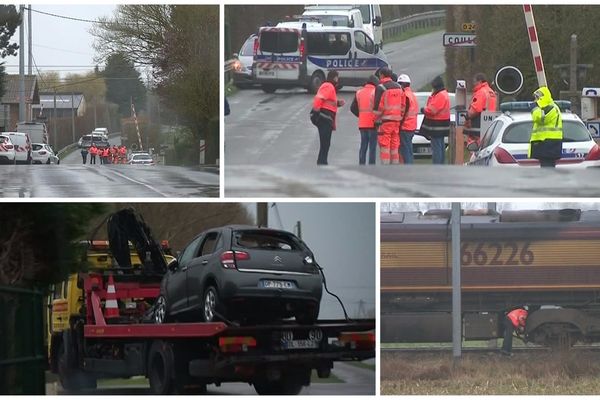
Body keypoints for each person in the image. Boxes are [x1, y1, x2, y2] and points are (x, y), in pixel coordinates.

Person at [311, 70, 345, 165]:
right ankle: (322, 162)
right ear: (334, 77)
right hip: (324, 118)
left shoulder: (330, 87)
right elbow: (319, 98)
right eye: (337, 77)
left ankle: (322, 161)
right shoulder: (328, 86)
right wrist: (316, 112)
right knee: (325, 143)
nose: (338, 79)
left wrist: (338, 103)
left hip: (326, 118)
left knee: (325, 143)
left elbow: (328, 102)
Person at [373, 67, 405, 164]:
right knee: (394, 145)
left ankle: (386, 167)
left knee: (385, 146)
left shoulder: (381, 88)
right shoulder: (399, 88)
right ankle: (395, 167)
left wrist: (375, 120)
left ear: (381, 75)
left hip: (385, 122)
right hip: (397, 121)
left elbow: (379, 107)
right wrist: (400, 116)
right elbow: (403, 105)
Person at [530, 86, 563, 168]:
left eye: (537, 98)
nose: (535, 101)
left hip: (549, 144)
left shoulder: (551, 108)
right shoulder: (546, 108)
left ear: (542, 98)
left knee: (548, 169)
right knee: (546, 168)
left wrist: (535, 108)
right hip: (546, 143)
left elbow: (539, 118)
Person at [420, 76, 451, 165]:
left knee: (436, 147)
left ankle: (437, 166)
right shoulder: (444, 94)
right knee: (440, 146)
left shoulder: (440, 95)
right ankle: (441, 164)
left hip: (437, 126)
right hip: (442, 124)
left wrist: (424, 110)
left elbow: (432, 110)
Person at [350, 75, 379, 165]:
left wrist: (361, 115)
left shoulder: (359, 92)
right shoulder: (376, 92)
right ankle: (371, 166)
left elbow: (352, 108)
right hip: (372, 124)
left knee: (363, 145)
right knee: (372, 147)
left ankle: (361, 164)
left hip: (362, 124)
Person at [465, 73, 497, 150]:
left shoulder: (480, 92)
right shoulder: (491, 92)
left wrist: (467, 115)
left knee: (477, 148)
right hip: (490, 123)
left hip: (479, 124)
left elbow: (476, 109)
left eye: (474, 82)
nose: (473, 84)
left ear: (479, 81)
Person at [397, 74, 418, 164]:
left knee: (405, 149)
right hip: (412, 126)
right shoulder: (412, 95)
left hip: (405, 126)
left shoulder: (404, 95)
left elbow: (403, 112)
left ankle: (408, 167)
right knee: (409, 148)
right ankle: (410, 165)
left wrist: (399, 124)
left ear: (401, 85)